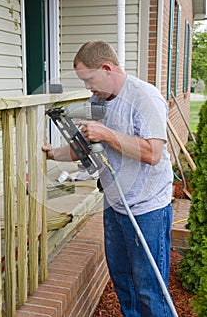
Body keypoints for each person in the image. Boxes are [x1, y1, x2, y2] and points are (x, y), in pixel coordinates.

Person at [42, 40, 174, 317]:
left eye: (89, 80)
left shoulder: (145, 98)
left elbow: (153, 153)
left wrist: (107, 135)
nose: (88, 88)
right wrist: (54, 154)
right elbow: (85, 147)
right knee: (123, 280)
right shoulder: (97, 101)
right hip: (114, 204)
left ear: (106, 68)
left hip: (147, 207)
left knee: (150, 287)